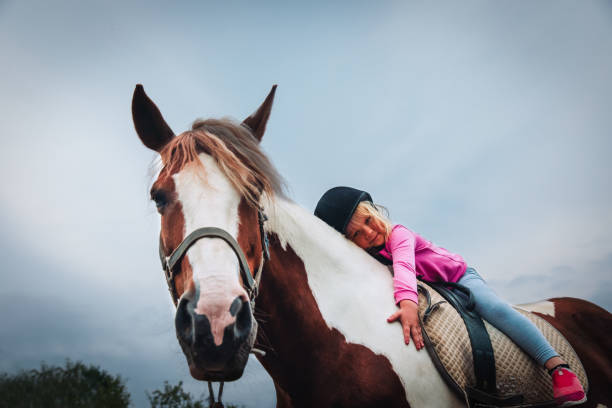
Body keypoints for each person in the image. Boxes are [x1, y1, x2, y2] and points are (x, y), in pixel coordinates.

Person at [314, 186, 586, 407]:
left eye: (368, 221)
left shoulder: (399, 235)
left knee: (493, 308)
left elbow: (405, 268)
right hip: (435, 291)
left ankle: (557, 367)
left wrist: (407, 304)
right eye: (357, 234)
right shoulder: (369, 255)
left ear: (375, 212)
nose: (369, 233)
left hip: (458, 278)